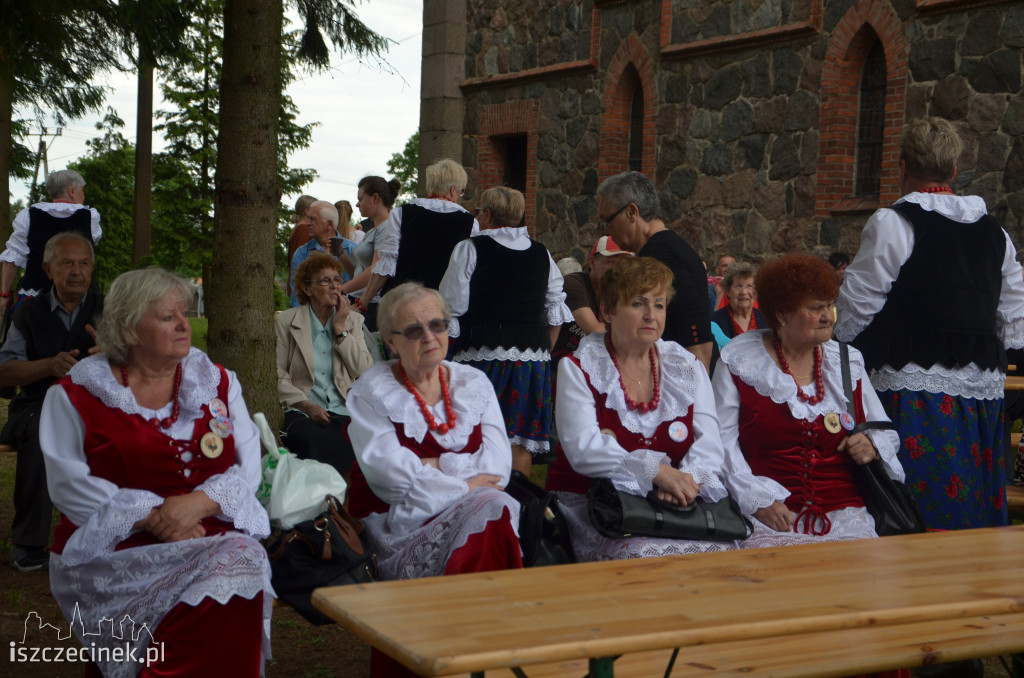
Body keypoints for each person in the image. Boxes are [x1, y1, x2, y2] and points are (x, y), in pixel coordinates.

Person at [41, 268, 272, 676]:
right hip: (115, 545)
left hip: (207, 529)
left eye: (185, 313)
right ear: (129, 330)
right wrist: (153, 516)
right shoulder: (76, 394)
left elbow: (248, 461)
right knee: (239, 560)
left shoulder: (216, 381)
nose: (185, 324)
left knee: (242, 559)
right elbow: (67, 483)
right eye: (168, 318)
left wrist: (199, 504)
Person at [836, 117, 1024, 530]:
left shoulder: (893, 222)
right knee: (971, 497)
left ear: (902, 166)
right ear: (954, 171)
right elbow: (1014, 317)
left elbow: (855, 309)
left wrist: (842, 353)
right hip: (981, 394)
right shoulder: (996, 233)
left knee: (915, 502)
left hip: (911, 389)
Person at [547, 256, 741, 561]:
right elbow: (584, 448)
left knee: (721, 555)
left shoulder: (685, 366)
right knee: (641, 556)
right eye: (638, 304)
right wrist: (657, 473)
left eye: (659, 304)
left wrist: (686, 479)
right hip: (597, 509)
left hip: (672, 507)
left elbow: (710, 440)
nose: (651, 315)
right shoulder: (579, 367)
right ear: (607, 311)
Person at [713, 254, 905, 549]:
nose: (829, 315)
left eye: (830, 305)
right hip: (771, 518)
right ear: (781, 314)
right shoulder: (739, 361)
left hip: (847, 516)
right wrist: (756, 499)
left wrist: (872, 445)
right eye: (816, 308)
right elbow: (721, 443)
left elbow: (882, 429)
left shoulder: (846, 361)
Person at [440, 186, 573, 474]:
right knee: (519, 443)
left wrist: (444, 360)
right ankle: (519, 512)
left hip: (481, 358)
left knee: (476, 439)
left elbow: (450, 308)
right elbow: (556, 310)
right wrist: (542, 352)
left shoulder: (469, 248)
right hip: (532, 364)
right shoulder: (541, 253)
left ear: (486, 215)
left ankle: (477, 509)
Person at [0, 233, 103, 572]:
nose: (76, 271)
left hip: (98, 406)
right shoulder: (27, 312)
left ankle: (113, 535)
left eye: (83, 263)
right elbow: (5, 372)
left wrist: (113, 355)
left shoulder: (107, 310)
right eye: (66, 263)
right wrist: (48, 366)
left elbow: (142, 363)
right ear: (47, 269)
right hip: (36, 405)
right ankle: (29, 544)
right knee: (43, 430)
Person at [597, 171, 713, 372]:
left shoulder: (661, 254)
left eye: (608, 220)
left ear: (632, 212)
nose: (607, 231)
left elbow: (697, 333)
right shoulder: (671, 246)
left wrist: (693, 394)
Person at [277, 252, 373, 476]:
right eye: (326, 280)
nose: (335, 287)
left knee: (362, 443)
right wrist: (305, 405)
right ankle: (318, 504)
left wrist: (340, 330)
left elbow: (364, 370)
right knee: (310, 439)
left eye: (338, 280)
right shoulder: (286, 321)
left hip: (343, 410)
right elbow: (277, 372)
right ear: (307, 289)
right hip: (302, 410)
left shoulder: (353, 321)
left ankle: (344, 505)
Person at [356, 158, 479, 311]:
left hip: (402, 302)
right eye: (461, 192)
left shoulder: (402, 213)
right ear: (453, 190)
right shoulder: (470, 223)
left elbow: (387, 265)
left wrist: (363, 302)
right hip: (441, 308)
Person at [1, 169, 101, 310]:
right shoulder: (90, 217)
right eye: (82, 191)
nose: (83, 196)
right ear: (72, 191)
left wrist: (4, 295)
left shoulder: (28, 216)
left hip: (34, 296)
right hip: (79, 299)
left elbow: (12, 260)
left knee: (25, 329)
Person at [552, 235, 632, 364]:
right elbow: (596, 332)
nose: (618, 270)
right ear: (593, 262)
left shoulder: (618, 293)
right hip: (558, 368)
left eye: (623, 264)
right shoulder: (573, 284)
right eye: (611, 263)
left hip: (591, 367)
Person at [339, 176, 402, 331]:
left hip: (372, 304)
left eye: (360, 199)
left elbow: (376, 268)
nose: (357, 204)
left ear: (375, 198)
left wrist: (341, 290)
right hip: (362, 301)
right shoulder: (374, 230)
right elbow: (359, 271)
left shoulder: (387, 227)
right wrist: (340, 253)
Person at [289, 200, 356, 307]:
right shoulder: (302, 253)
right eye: (308, 218)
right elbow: (297, 296)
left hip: (347, 316)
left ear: (329, 224)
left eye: (312, 219)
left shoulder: (352, 250)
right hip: (312, 319)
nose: (307, 223)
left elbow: (362, 288)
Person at [710, 261, 766, 347]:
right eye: (738, 286)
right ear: (728, 291)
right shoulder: (714, 321)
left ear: (756, 292)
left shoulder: (767, 320)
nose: (744, 292)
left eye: (749, 286)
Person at [286, 194, 317, 299]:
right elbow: (302, 261)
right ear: (306, 211)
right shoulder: (303, 229)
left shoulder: (298, 228)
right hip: (300, 286)